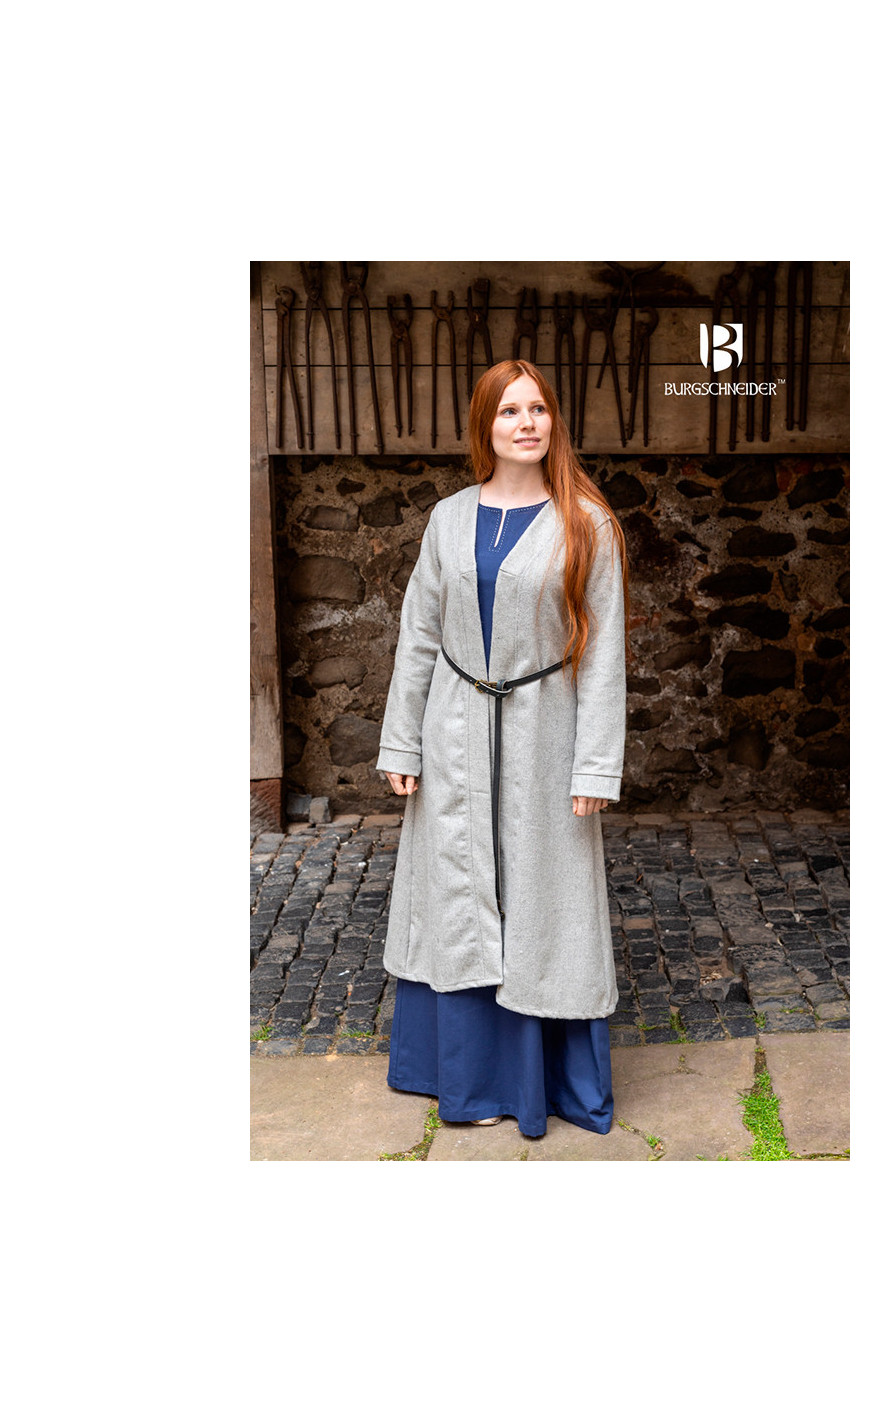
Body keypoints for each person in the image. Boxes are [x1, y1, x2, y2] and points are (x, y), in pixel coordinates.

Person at [374, 358, 630, 1137]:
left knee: (543, 894)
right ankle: (466, 1081)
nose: (526, 423)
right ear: (485, 425)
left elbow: (604, 652)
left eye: (538, 408)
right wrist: (402, 743)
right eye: (509, 410)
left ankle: (541, 1083)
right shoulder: (448, 519)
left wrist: (595, 764)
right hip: (452, 728)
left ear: (555, 420)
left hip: (544, 730)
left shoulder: (587, 523)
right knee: (456, 895)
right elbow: (420, 634)